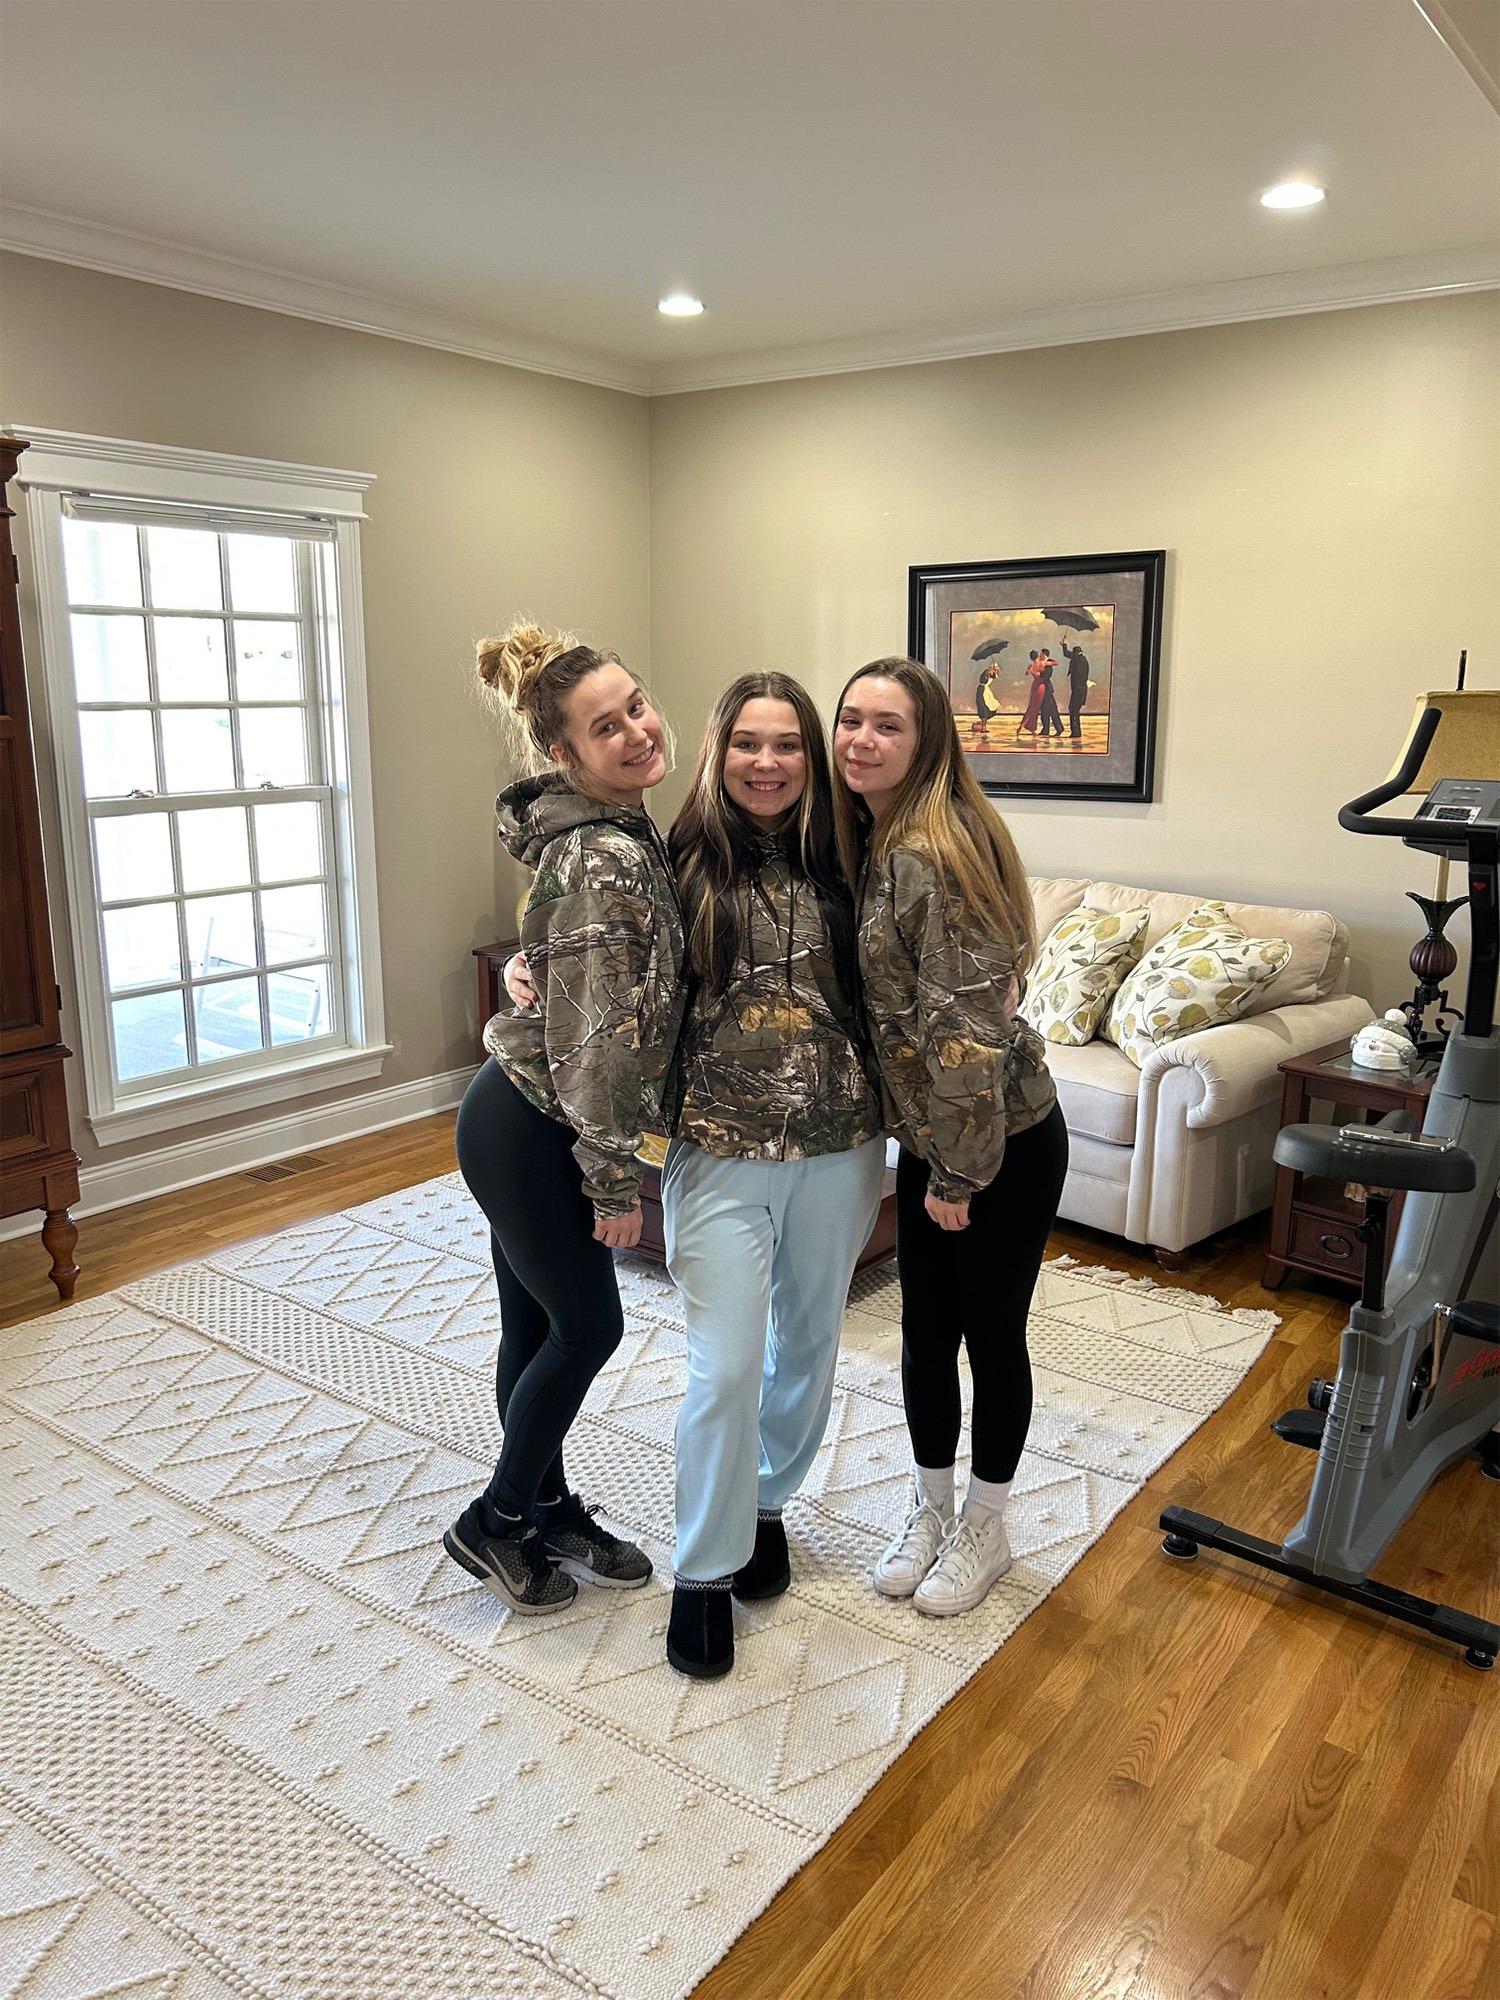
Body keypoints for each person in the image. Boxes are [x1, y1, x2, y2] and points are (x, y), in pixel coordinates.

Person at [445, 620, 687, 1616]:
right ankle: (496, 1517)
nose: (635, 729)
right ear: (564, 753)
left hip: (520, 1109)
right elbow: (595, 1043)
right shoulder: (601, 855)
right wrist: (615, 1181)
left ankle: (544, 1504)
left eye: (636, 705)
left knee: (536, 1321)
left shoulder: (623, 831)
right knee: (588, 1324)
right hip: (534, 1120)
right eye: (605, 724)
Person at [832, 657, 1068, 1616]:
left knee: (987, 1337)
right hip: (937, 1141)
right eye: (851, 718)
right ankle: (931, 1511)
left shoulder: (938, 847)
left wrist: (959, 1176)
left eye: (888, 725)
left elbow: (965, 1037)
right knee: (924, 1334)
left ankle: (988, 1527)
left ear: (927, 742)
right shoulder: (877, 836)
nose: (861, 738)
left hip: (997, 1143)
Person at [661, 673, 886, 1675]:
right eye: (747, 742)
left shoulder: (856, 856)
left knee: (811, 1346)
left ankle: (765, 1502)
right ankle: (702, 1568)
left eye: (787, 742)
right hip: (715, 1147)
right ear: (720, 750)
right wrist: (537, 968)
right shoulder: (677, 864)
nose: (767, 761)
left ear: (811, 755)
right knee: (725, 1366)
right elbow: (604, 962)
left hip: (841, 1146)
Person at [1016, 652, 1047, 739]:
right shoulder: (1040, 664)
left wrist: (1030, 669)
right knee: (1035, 708)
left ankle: (1024, 725)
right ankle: (1029, 727)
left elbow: (1027, 673)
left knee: (1032, 706)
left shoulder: (1032, 666)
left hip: (1035, 686)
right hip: (1040, 686)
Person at [1064, 642, 1091, 740]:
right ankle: (1076, 731)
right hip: (1080, 690)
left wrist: (1064, 645)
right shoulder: (1082, 660)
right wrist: (1064, 645)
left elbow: (1067, 654)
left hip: (1078, 690)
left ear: (1076, 653)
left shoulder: (1078, 660)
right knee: (1074, 710)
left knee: (1073, 710)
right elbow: (1067, 654)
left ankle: (1075, 732)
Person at [1036, 651, 1064, 738]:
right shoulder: (1043, 663)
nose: (1039, 655)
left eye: (1041, 654)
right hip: (1043, 689)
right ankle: (1046, 729)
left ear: (1044, 654)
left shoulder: (1048, 663)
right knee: (1045, 710)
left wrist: (1039, 674)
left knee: (1052, 710)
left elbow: (1048, 675)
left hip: (1047, 689)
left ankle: (1058, 728)